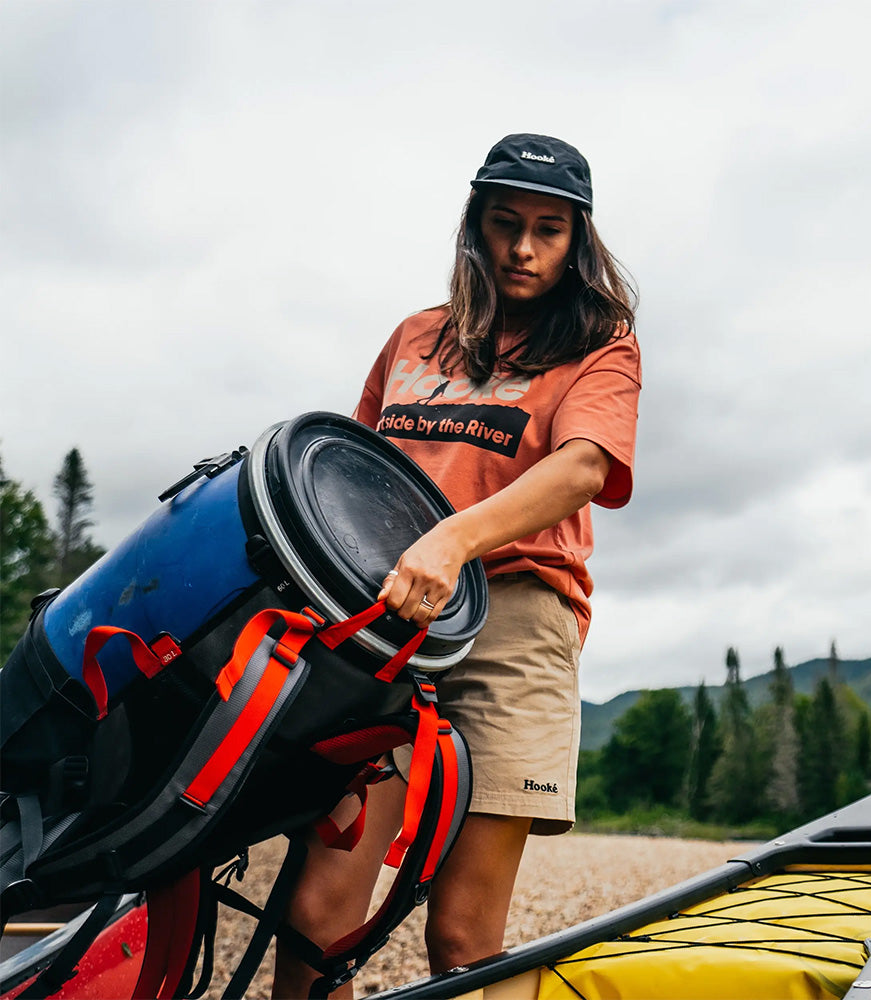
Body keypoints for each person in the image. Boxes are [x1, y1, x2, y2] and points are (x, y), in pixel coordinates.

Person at [272, 133, 641, 998]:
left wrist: (453, 539)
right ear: (474, 225)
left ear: (578, 240)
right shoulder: (414, 338)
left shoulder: (601, 343)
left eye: (549, 230)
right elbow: (352, 470)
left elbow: (583, 466)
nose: (523, 248)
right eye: (505, 223)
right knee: (318, 908)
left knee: (464, 936)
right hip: (386, 622)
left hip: (515, 616)